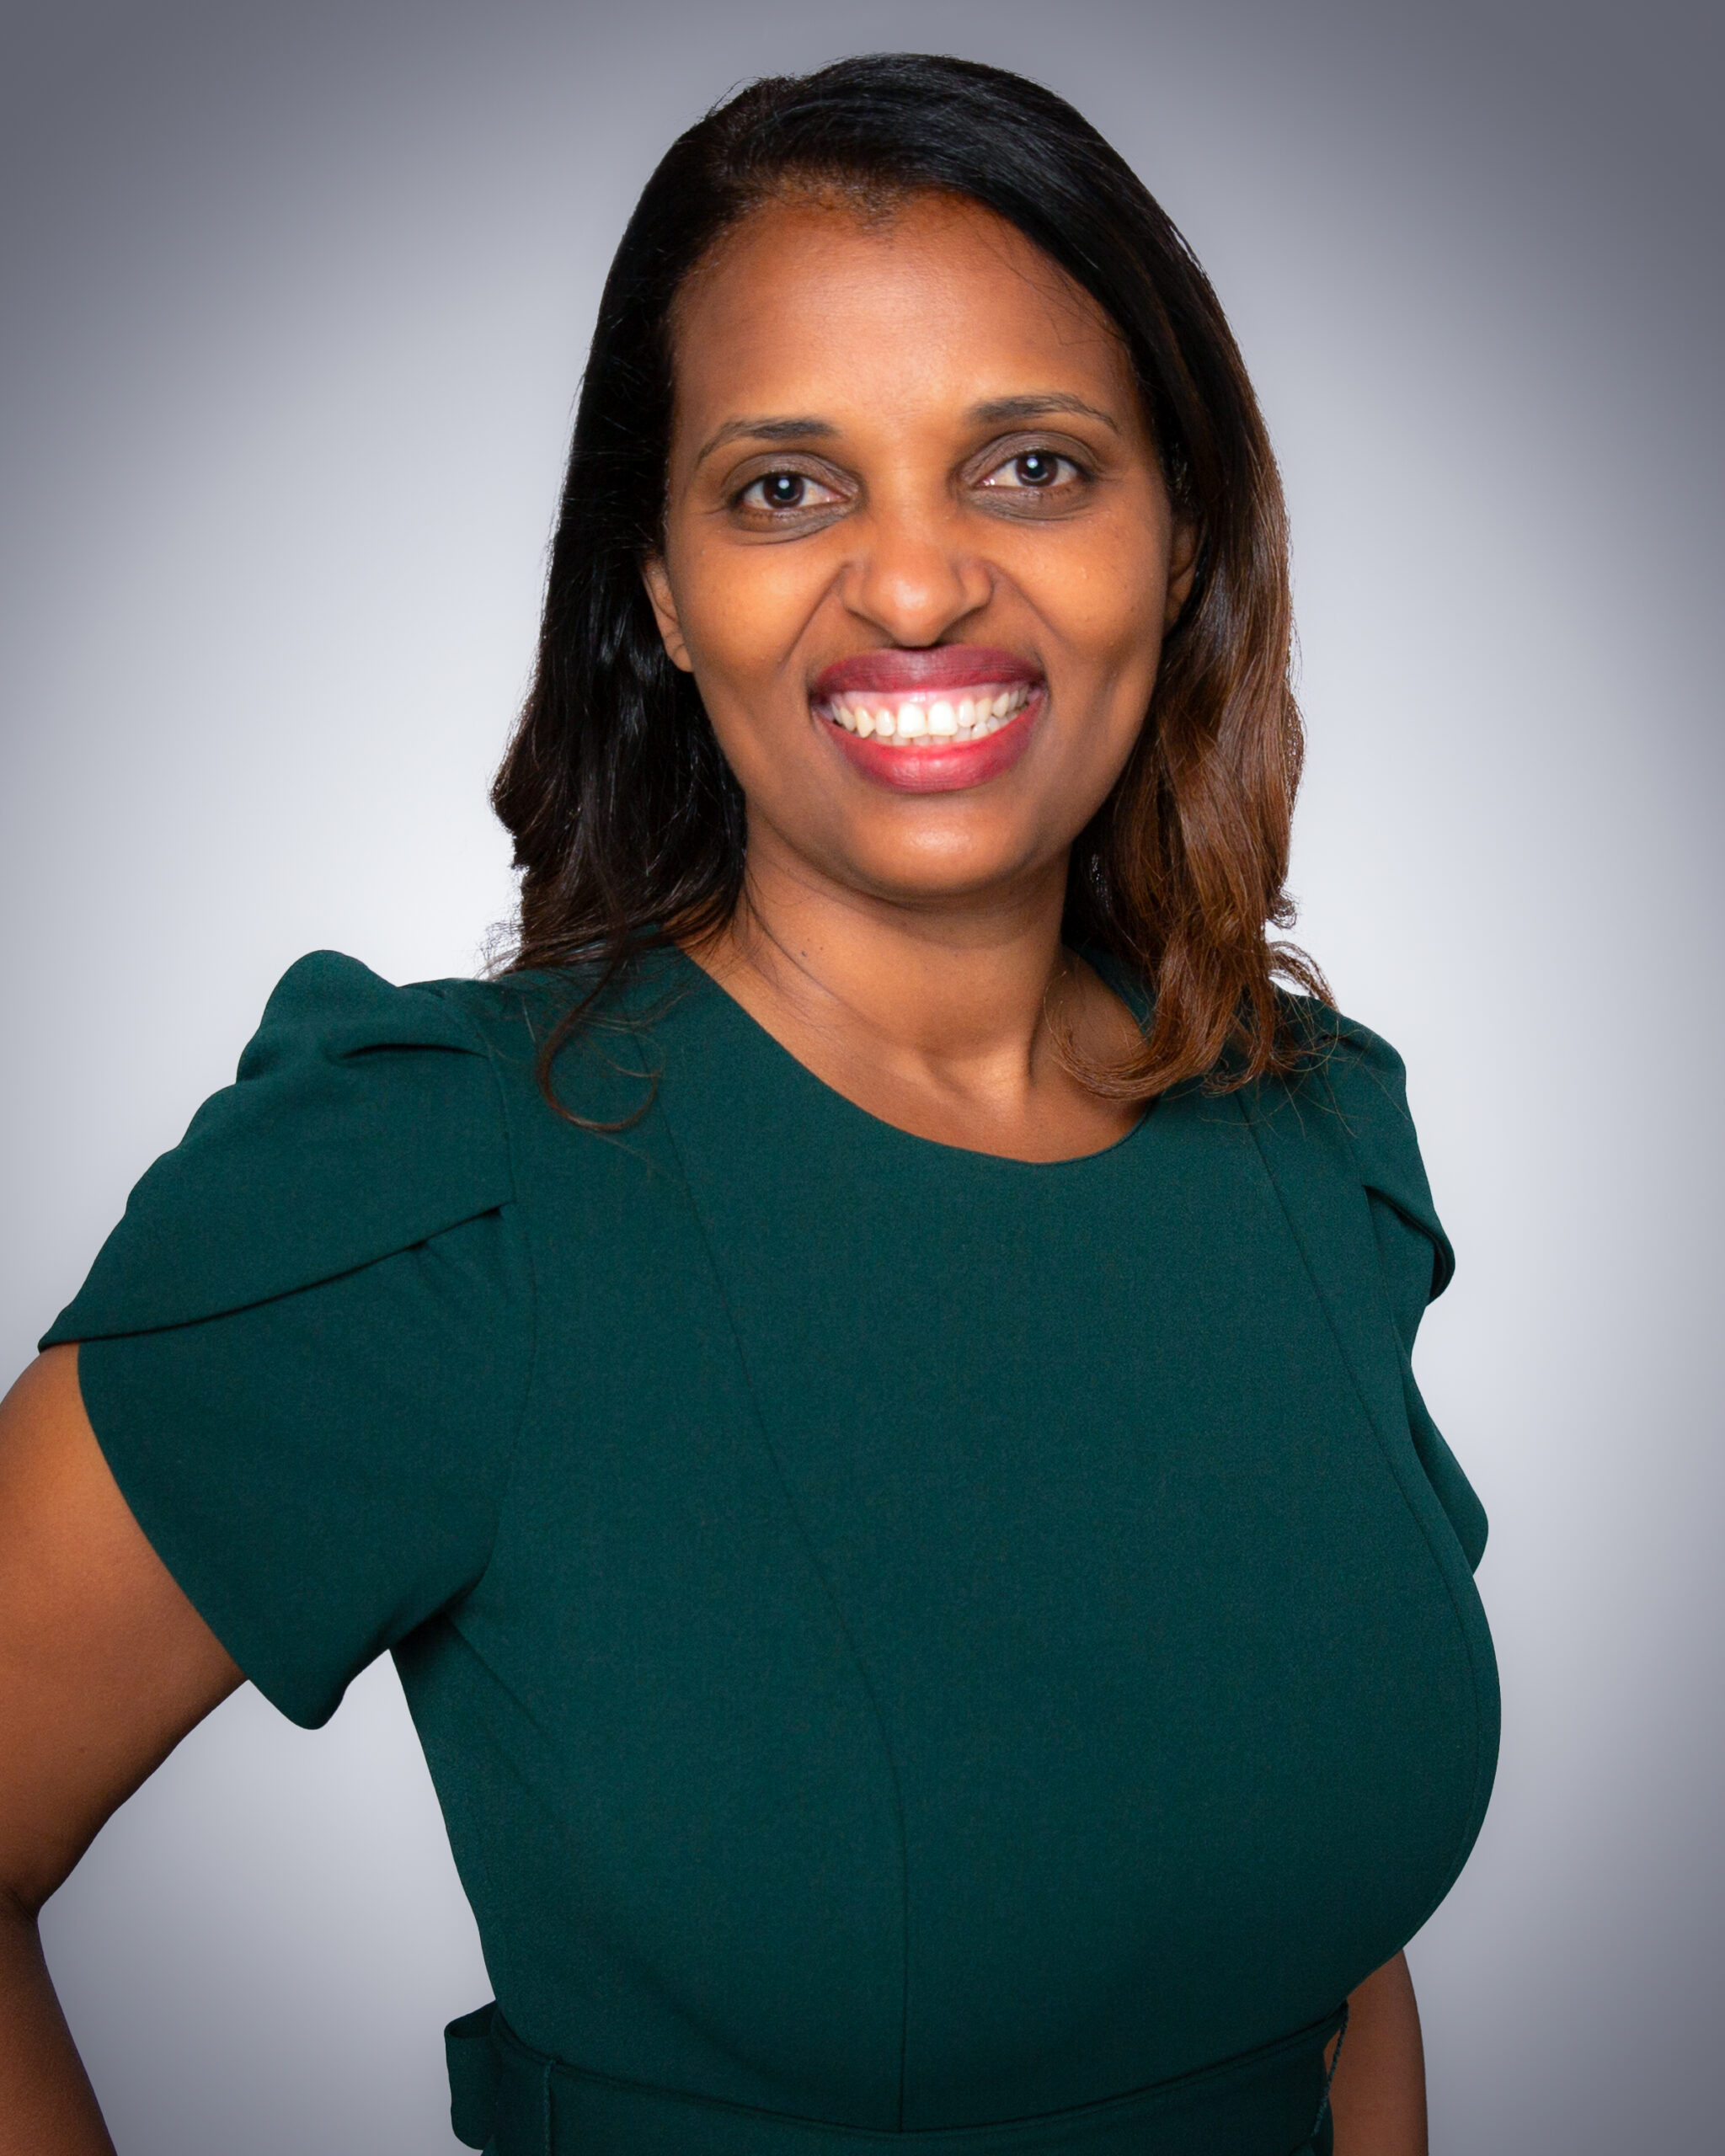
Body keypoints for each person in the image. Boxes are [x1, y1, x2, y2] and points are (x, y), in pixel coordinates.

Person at [0, 52, 1497, 2156]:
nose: (916, 584)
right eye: (786, 487)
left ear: (1179, 537)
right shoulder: (446, 1183)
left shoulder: (1306, 1136)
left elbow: (1334, 1959)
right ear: (658, 587)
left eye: (1032, 465)